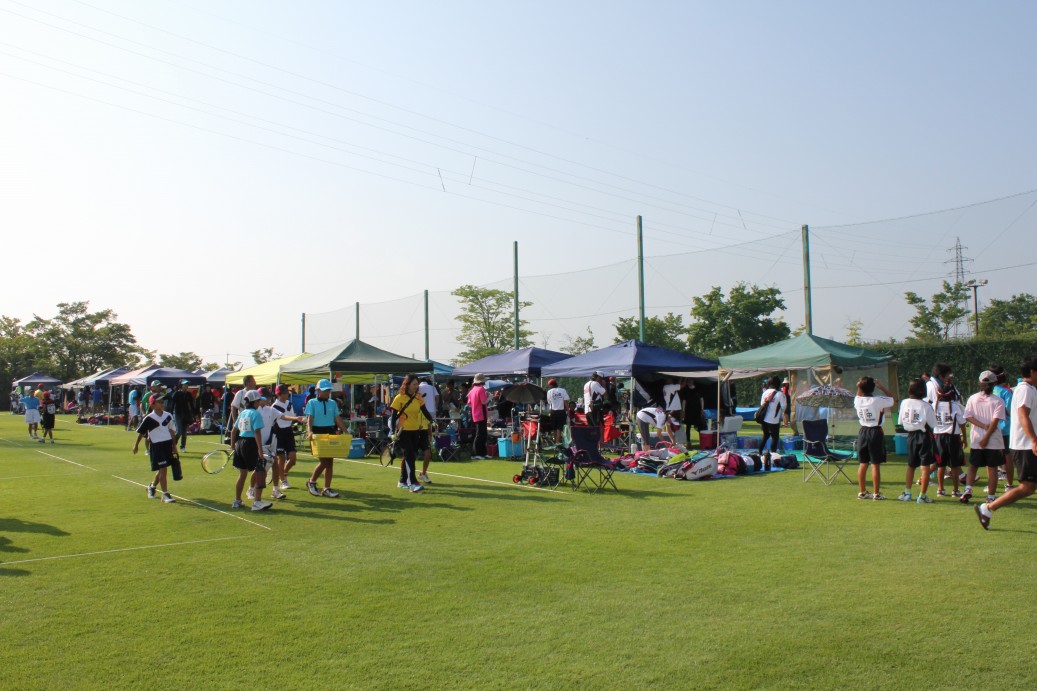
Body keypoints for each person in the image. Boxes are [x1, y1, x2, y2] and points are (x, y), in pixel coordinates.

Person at [976, 356, 1037, 530]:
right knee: (1027, 487)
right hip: (1026, 446)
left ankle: (987, 509)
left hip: (1028, 444)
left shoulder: (1030, 389)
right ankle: (987, 508)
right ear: (1033, 372)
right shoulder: (1025, 390)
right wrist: (1033, 439)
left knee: (1029, 487)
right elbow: (1023, 415)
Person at [961, 370, 1007, 505]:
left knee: (973, 466)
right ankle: (991, 497)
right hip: (993, 441)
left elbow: (968, 416)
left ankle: (968, 489)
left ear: (979, 383)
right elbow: (995, 422)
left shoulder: (972, 398)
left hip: (976, 440)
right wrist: (986, 435)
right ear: (994, 384)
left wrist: (981, 426)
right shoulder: (998, 401)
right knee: (992, 468)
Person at [304, 378, 348, 498]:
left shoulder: (332, 403)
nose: (327, 392)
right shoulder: (312, 402)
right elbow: (310, 419)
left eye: (328, 390)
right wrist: (310, 431)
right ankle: (311, 482)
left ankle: (326, 488)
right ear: (318, 390)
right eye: (325, 390)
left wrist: (346, 431)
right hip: (318, 432)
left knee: (330, 462)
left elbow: (337, 418)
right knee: (324, 461)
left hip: (330, 431)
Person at [230, 390, 272, 511]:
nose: (260, 403)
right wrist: (260, 449)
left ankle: (237, 500)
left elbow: (234, 430)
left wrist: (233, 445)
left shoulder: (243, 413)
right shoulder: (256, 414)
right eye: (258, 401)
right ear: (254, 402)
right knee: (260, 470)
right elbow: (257, 432)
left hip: (240, 443)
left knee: (242, 474)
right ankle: (257, 502)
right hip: (250, 444)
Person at [853, 377, 895, 500]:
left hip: (863, 431)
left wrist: (859, 387)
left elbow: (858, 396)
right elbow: (892, 399)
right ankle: (876, 493)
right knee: (875, 464)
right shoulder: (877, 400)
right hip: (875, 432)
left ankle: (862, 492)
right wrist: (881, 386)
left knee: (863, 463)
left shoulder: (858, 400)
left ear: (861, 387)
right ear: (873, 387)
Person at [896, 378, 937, 503]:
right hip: (924, 436)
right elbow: (933, 424)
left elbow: (900, 421)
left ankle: (907, 493)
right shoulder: (926, 405)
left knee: (911, 465)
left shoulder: (904, 402)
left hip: (911, 436)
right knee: (924, 467)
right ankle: (922, 496)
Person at [132, 394, 178, 504]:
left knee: (162, 468)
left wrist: (174, 446)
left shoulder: (168, 416)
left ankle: (152, 487)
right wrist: (136, 445)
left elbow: (171, 431)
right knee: (163, 469)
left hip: (167, 445)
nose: (162, 403)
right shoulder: (149, 418)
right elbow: (141, 432)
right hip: (156, 446)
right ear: (152, 405)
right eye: (159, 402)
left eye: (163, 402)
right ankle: (165, 494)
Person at [390, 374, 432, 492]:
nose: (416, 386)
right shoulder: (399, 398)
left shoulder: (418, 397)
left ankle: (402, 481)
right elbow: (393, 417)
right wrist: (393, 432)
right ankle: (412, 483)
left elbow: (425, 412)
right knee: (409, 456)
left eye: (417, 384)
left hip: (415, 431)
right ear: (407, 384)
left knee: (410, 456)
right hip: (403, 431)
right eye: (413, 384)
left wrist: (433, 422)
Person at [270, 384, 306, 495]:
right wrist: (296, 418)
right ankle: (283, 481)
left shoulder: (289, 403)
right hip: (279, 433)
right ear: (279, 394)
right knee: (281, 458)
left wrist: (296, 421)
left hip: (288, 432)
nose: (287, 394)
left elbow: (291, 416)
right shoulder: (274, 406)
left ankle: (283, 473)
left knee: (293, 459)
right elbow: (283, 417)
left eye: (287, 392)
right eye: (285, 392)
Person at [932, 387, 966, 497]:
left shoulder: (934, 405)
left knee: (941, 465)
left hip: (938, 438)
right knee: (954, 466)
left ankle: (940, 489)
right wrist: (964, 438)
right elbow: (962, 423)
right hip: (953, 438)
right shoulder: (955, 406)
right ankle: (955, 491)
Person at [990, 364, 1014, 490]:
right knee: (1007, 456)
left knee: (993, 457)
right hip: (1003, 428)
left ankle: (992, 486)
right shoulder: (1006, 391)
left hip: (994, 428)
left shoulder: (990, 391)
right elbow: (1011, 411)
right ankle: (1009, 485)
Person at [416, 377, 438, 485]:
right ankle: (406, 476)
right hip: (414, 432)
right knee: (411, 455)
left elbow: (429, 423)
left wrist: (430, 435)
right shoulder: (414, 407)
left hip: (424, 432)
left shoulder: (426, 409)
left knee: (427, 453)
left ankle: (423, 473)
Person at [758, 376, 786, 454]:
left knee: (765, 436)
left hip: (764, 419)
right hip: (774, 419)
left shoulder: (765, 392)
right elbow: (784, 406)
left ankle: (759, 452)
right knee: (775, 438)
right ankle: (773, 454)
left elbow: (762, 404)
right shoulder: (780, 394)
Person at [170, 380, 196, 451]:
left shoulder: (188, 394)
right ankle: (173, 445)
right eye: (185, 384)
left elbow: (191, 405)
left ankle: (183, 447)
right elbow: (172, 404)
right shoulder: (176, 393)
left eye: (187, 384)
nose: (186, 386)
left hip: (186, 414)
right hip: (178, 414)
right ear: (181, 385)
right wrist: (171, 413)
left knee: (184, 432)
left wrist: (194, 414)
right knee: (179, 431)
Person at [467, 374, 489, 459]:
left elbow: (469, 404)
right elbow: (484, 402)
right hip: (481, 414)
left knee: (482, 433)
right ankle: (477, 453)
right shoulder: (481, 389)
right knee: (480, 434)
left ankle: (483, 453)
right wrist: (489, 397)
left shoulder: (472, 390)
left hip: (475, 414)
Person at [545, 379, 569, 443]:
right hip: (561, 411)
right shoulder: (562, 390)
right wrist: (568, 411)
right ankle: (557, 443)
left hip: (553, 411)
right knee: (559, 428)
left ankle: (556, 442)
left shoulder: (549, 392)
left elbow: (549, 402)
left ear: (551, 385)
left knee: (554, 428)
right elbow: (565, 402)